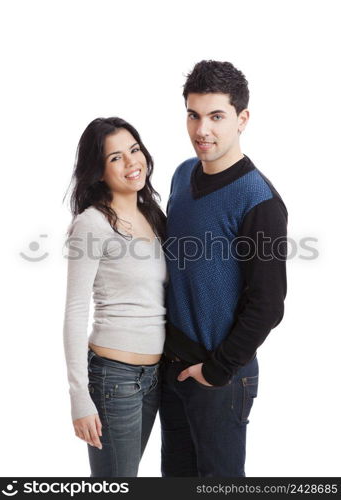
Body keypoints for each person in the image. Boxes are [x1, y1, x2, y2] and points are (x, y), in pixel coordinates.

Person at [160, 60, 288, 477]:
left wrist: (216, 370)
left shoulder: (259, 200)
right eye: (193, 115)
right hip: (172, 369)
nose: (202, 130)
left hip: (221, 376)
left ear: (242, 119)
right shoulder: (181, 175)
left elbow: (267, 304)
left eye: (216, 116)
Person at [62, 117, 167, 477]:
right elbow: (75, 310)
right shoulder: (92, 223)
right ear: (98, 171)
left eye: (134, 150)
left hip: (155, 375)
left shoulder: (152, 214)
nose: (131, 162)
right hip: (114, 378)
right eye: (115, 158)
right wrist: (79, 396)